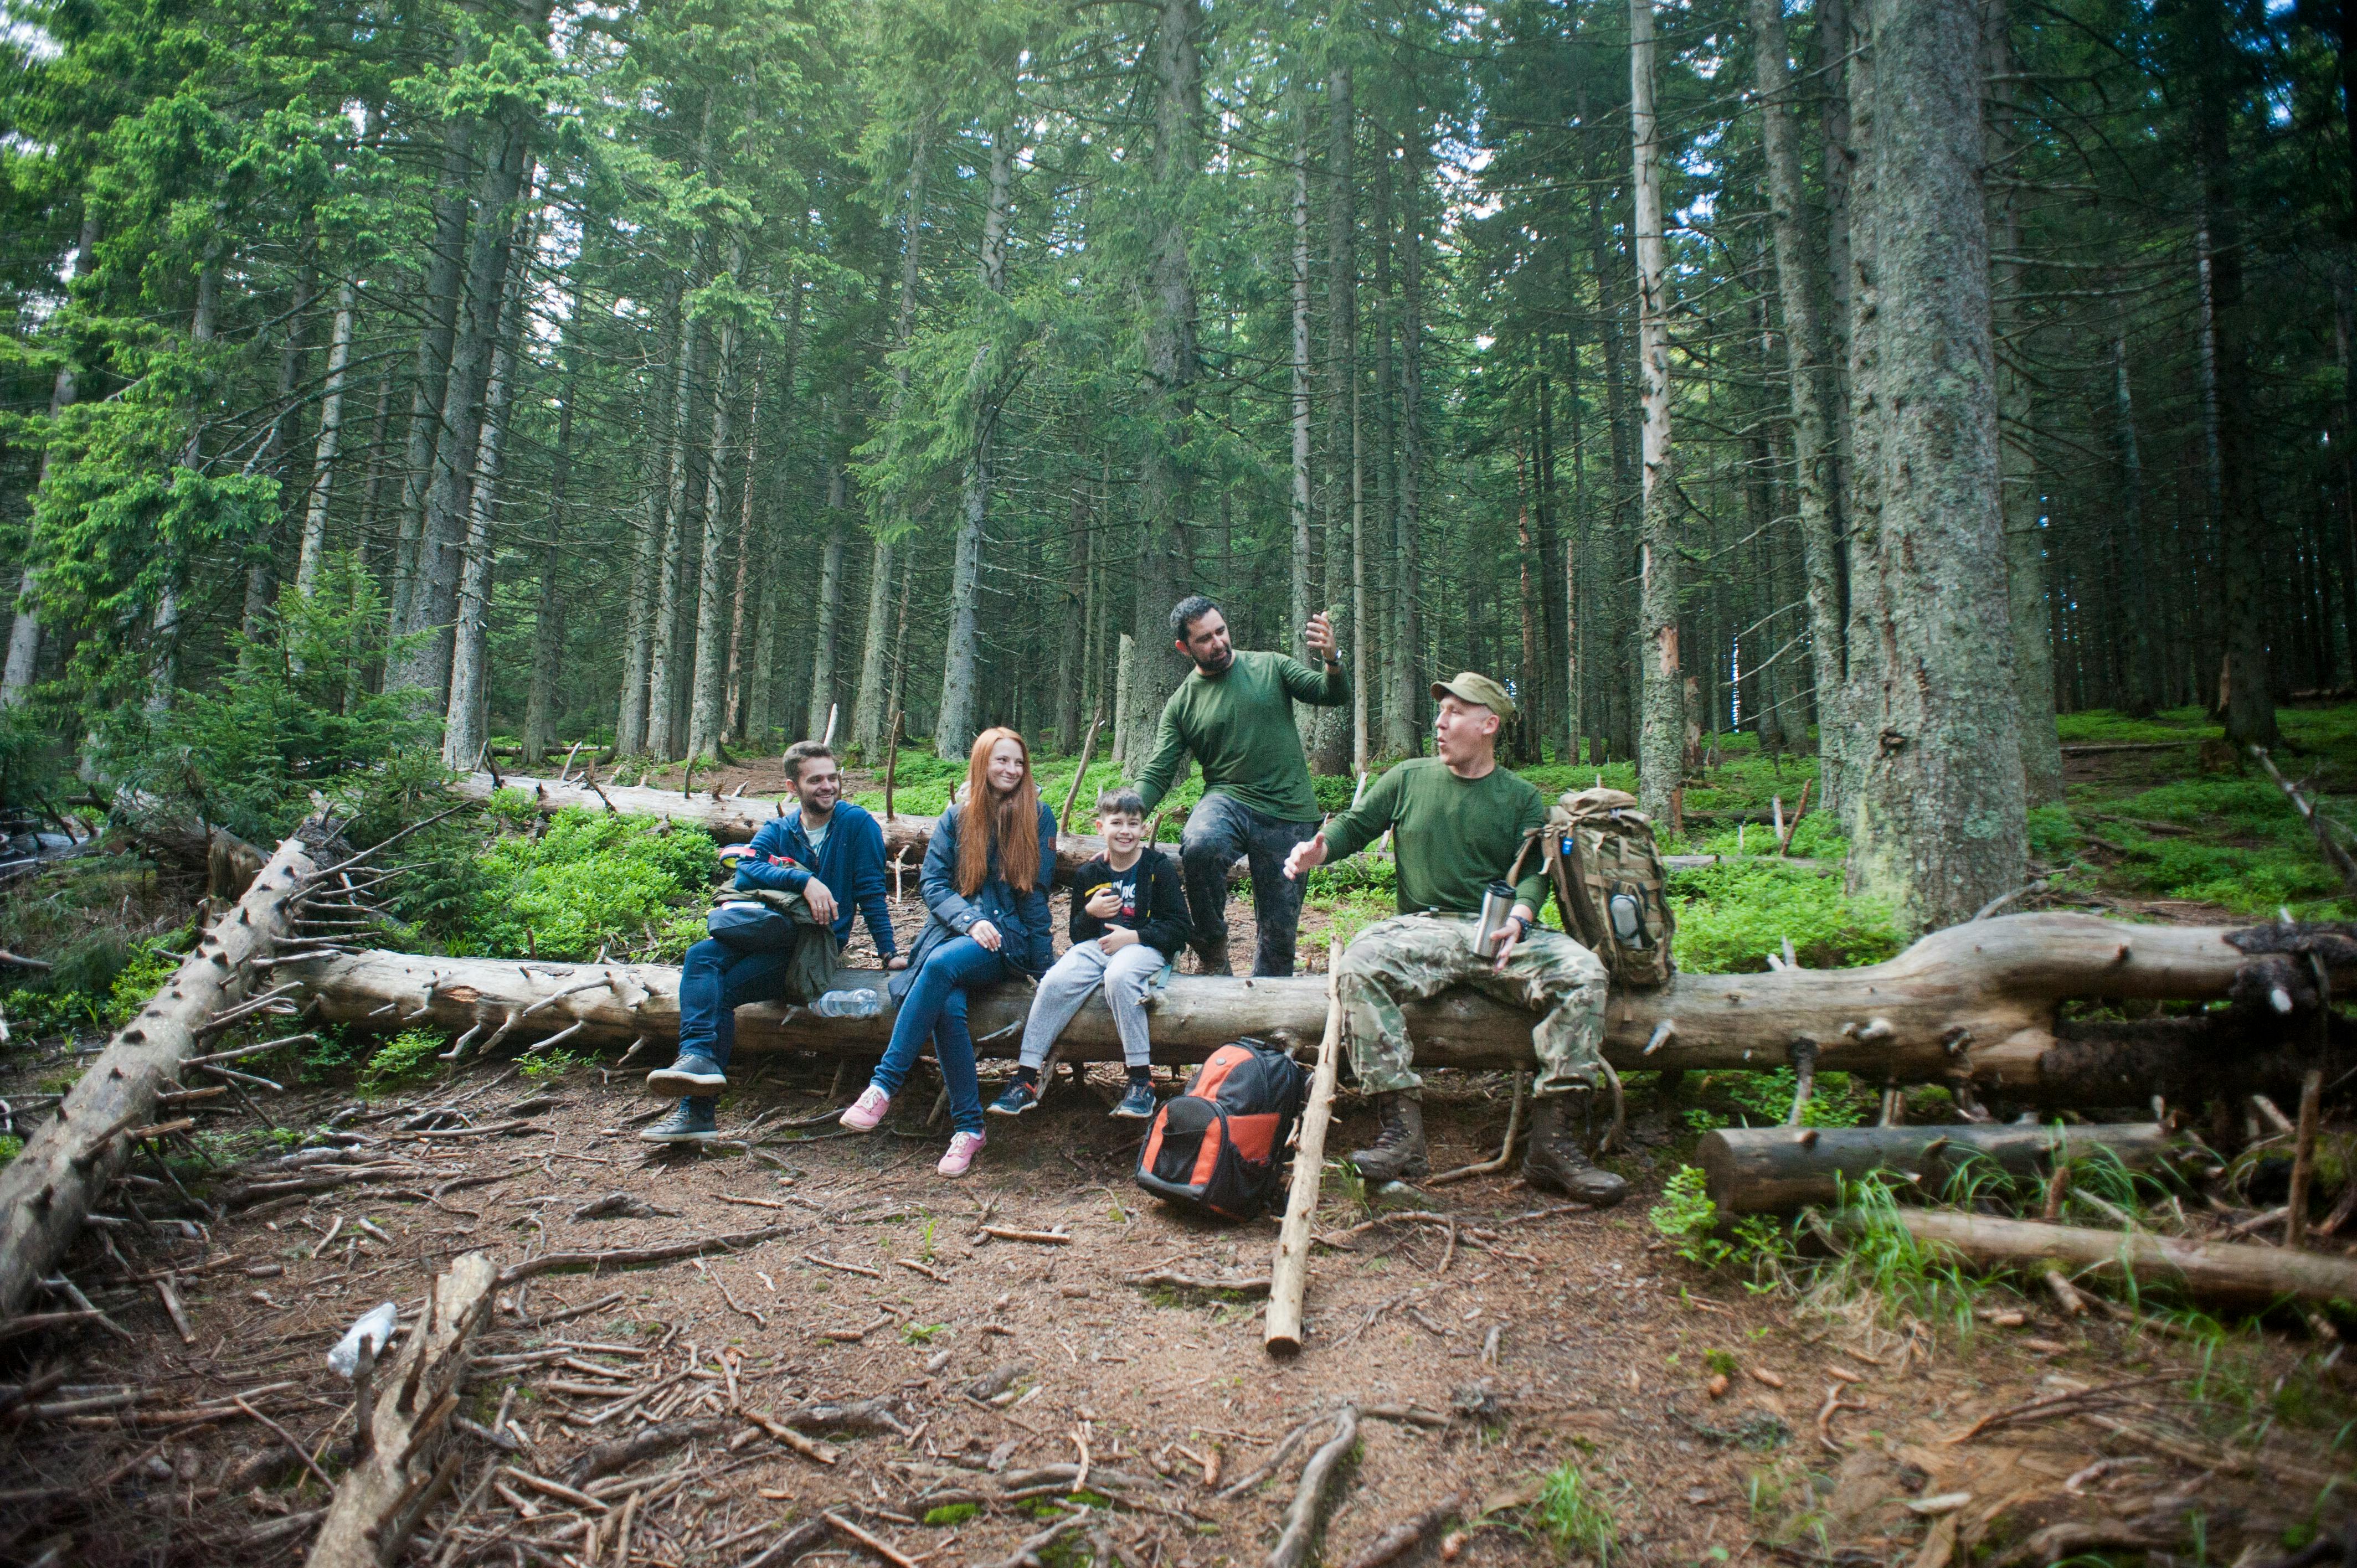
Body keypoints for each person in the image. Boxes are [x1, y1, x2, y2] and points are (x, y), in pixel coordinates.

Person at [1283, 673, 1627, 1205]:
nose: (1439, 723)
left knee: (1583, 973)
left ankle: (1554, 1144)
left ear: (1488, 724)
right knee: (1358, 964)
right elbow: (1356, 825)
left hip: (1498, 931)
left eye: (1454, 713)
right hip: (1423, 928)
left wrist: (1525, 915)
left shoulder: (1520, 797)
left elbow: (1536, 870)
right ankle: (1401, 1132)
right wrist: (1318, 850)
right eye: (1440, 712)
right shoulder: (1408, 778)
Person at [642, 741, 902, 1144]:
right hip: (765, 934)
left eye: (832, 777)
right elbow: (745, 870)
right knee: (701, 956)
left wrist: (889, 953)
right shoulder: (780, 830)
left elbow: (871, 892)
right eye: (816, 779)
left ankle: (696, 1110)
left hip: (810, 949)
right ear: (792, 786)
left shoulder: (857, 825)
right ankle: (695, 1062)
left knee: (719, 991)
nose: (828, 786)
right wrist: (805, 880)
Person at [841, 726, 1059, 1175]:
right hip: (952, 933)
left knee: (940, 968)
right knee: (948, 1004)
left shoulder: (1039, 815)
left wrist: (1045, 966)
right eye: (1001, 761)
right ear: (982, 763)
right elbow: (934, 886)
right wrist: (969, 920)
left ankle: (883, 1084)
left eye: (1018, 762)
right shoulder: (957, 818)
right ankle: (969, 1129)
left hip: (1007, 940)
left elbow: (1035, 894)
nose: (1011, 770)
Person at [1134, 595, 1347, 979]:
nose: (1218, 642)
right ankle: (1212, 947)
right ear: (1184, 647)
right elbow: (1158, 772)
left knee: (1279, 937)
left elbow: (1331, 695)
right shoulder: (1182, 703)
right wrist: (1129, 811)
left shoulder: (1270, 666)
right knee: (1200, 845)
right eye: (1205, 639)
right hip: (1228, 799)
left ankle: (1264, 1024)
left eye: (1221, 631)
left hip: (1289, 811)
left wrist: (1332, 660)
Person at [989, 788, 1191, 1121]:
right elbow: (1077, 934)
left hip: (1146, 948)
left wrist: (1135, 936)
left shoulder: (1158, 868)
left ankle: (1141, 1081)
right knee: (1054, 980)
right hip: (1098, 947)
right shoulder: (1089, 874)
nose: (1125, 831)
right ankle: (1025, 1077)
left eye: (1133, 824)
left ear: (1144, 829)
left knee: (1120, 975)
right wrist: (1090, 913)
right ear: (1101, 827)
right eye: (1117, 823)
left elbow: (1181, 927)